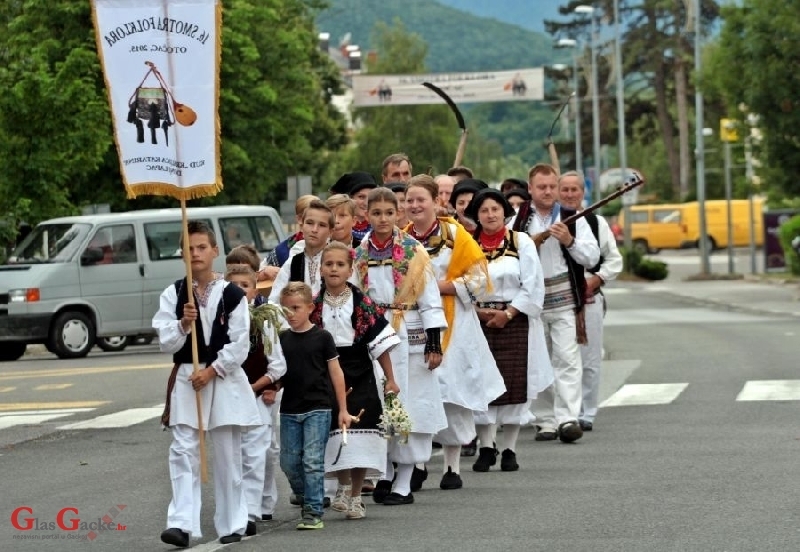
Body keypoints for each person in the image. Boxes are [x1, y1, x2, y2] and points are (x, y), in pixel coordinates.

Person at [153, 220, 261, 547]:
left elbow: (240, 342)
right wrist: (184, 324)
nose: (196, 253)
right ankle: (182, 523)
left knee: (228, 453)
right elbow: (165, 341)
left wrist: (213, 370)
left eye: (202, 247)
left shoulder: (231, 294)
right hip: (188, 376)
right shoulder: (174, 293)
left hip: (223, 378)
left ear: (215, 251)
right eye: (190, 248)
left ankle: (233, 521)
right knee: (183, 450)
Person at [404, 175, 505, 489]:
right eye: (409, 200)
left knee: (452, 392)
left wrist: (435, 288)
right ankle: (417, 463)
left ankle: (452, 466)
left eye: (421, 199)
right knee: (417, 393)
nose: (415, 205)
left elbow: (478, 280)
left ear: (436, 202)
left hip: (455, 324)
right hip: (413, 324)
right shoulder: (402, 239)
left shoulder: (456, 235)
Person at [353, 187, 447, 506]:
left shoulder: (412, 250)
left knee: (410, 405)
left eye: (388, 213)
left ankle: (405, 480)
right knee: (380, 405)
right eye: (375, 213)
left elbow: (430, 299)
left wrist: (434, 343)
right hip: (374, 333)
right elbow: (356, 294)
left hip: (408, 333)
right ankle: (386, 473)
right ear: (367, 215)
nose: (382, 219)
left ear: (399, 214)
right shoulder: (362, 251)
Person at [464, 189, 553, 472]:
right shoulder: (468, 244)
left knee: (516, 384)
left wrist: (509, 313)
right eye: (484, 210)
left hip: (515, 318)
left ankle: (510, 449)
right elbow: (460, 282)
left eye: (495, 209)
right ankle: (487, 446)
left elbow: (533, 284)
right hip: (477, 320)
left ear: (505, 212)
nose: (490, 215)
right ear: (476, 216)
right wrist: (478, 312)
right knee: (482, 383)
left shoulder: (520, 241)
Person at [511, 163, 600, 444]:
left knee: (567, 358)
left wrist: (570, 240)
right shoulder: (517, 219)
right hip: (533, 302)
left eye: (552, 186)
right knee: (539, 360)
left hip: (563, 297)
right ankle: (545, 420)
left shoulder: (572, 216)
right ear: (530, 189)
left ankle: (567, 418)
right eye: (542, 187)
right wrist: (528, 245)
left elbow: (592, 257)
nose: (548, 191)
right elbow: (505, 254)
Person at [312, 242, 401, 519]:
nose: (334, 269)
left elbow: (380, 343)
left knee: (361, 435)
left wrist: (390, 379)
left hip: (359, 371)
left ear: (350, 269)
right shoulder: (314, 305)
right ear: (321, 269)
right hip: (327, 373)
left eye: (340, 264)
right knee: (334, 434)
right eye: (329, 264)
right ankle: (341, 484)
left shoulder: (362, 302)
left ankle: (355, 496)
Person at [276, 282, 352, 530]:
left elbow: (336, 373)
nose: (291, 314)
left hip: (318, 408)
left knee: (312, 459)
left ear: (310, 308)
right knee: (288, 461)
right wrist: (271, 387)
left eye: (296, 308)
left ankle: (313, 511)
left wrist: (342, 408)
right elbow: (278, 373)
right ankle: (307, 493)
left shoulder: (322, 337)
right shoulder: (282, 339)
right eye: (285, 309)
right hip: (289, 408)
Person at [558, 171, 623, 431]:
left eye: (575, 189)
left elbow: (614, 259)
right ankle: (562, 413)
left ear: (583, 193)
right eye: (565, 190)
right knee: (560, 358)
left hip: (588, 300)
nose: (570, 194)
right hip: (558, 299)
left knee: (589, 359)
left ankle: (587, 411)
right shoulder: (549, 223)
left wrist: (596, 279)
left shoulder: (596, 223)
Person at [224, 265, 286, 536]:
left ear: (253, 291)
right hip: (227, 397)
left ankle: (249, 511)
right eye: (233, 286)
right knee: (232, 455)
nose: (239, 290)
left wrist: (257, 386)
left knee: (255, 453)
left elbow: (278, 365)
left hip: (257, 396)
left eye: (245, 285)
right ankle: (234, 508)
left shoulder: (264, 322)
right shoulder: (219, 322)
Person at [268, 200, 333, 305]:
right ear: (302, 226)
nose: (314, 230)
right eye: (310, 223)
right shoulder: (293, 262)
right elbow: (274, 302)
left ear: (330, 232)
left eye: (321, 225)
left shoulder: (337, 261)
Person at [260, 194, 319, 280]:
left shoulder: (330, 244)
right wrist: (267, 270)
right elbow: (256, 277)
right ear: (299, 219)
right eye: (311, 221)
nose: (315, 227)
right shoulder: (282, 250)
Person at [330, 172, 378, 242]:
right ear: (349, 199)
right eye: (361, 197)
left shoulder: (381, 227)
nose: (366, 203)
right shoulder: (337, 230)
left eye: (371, 197)